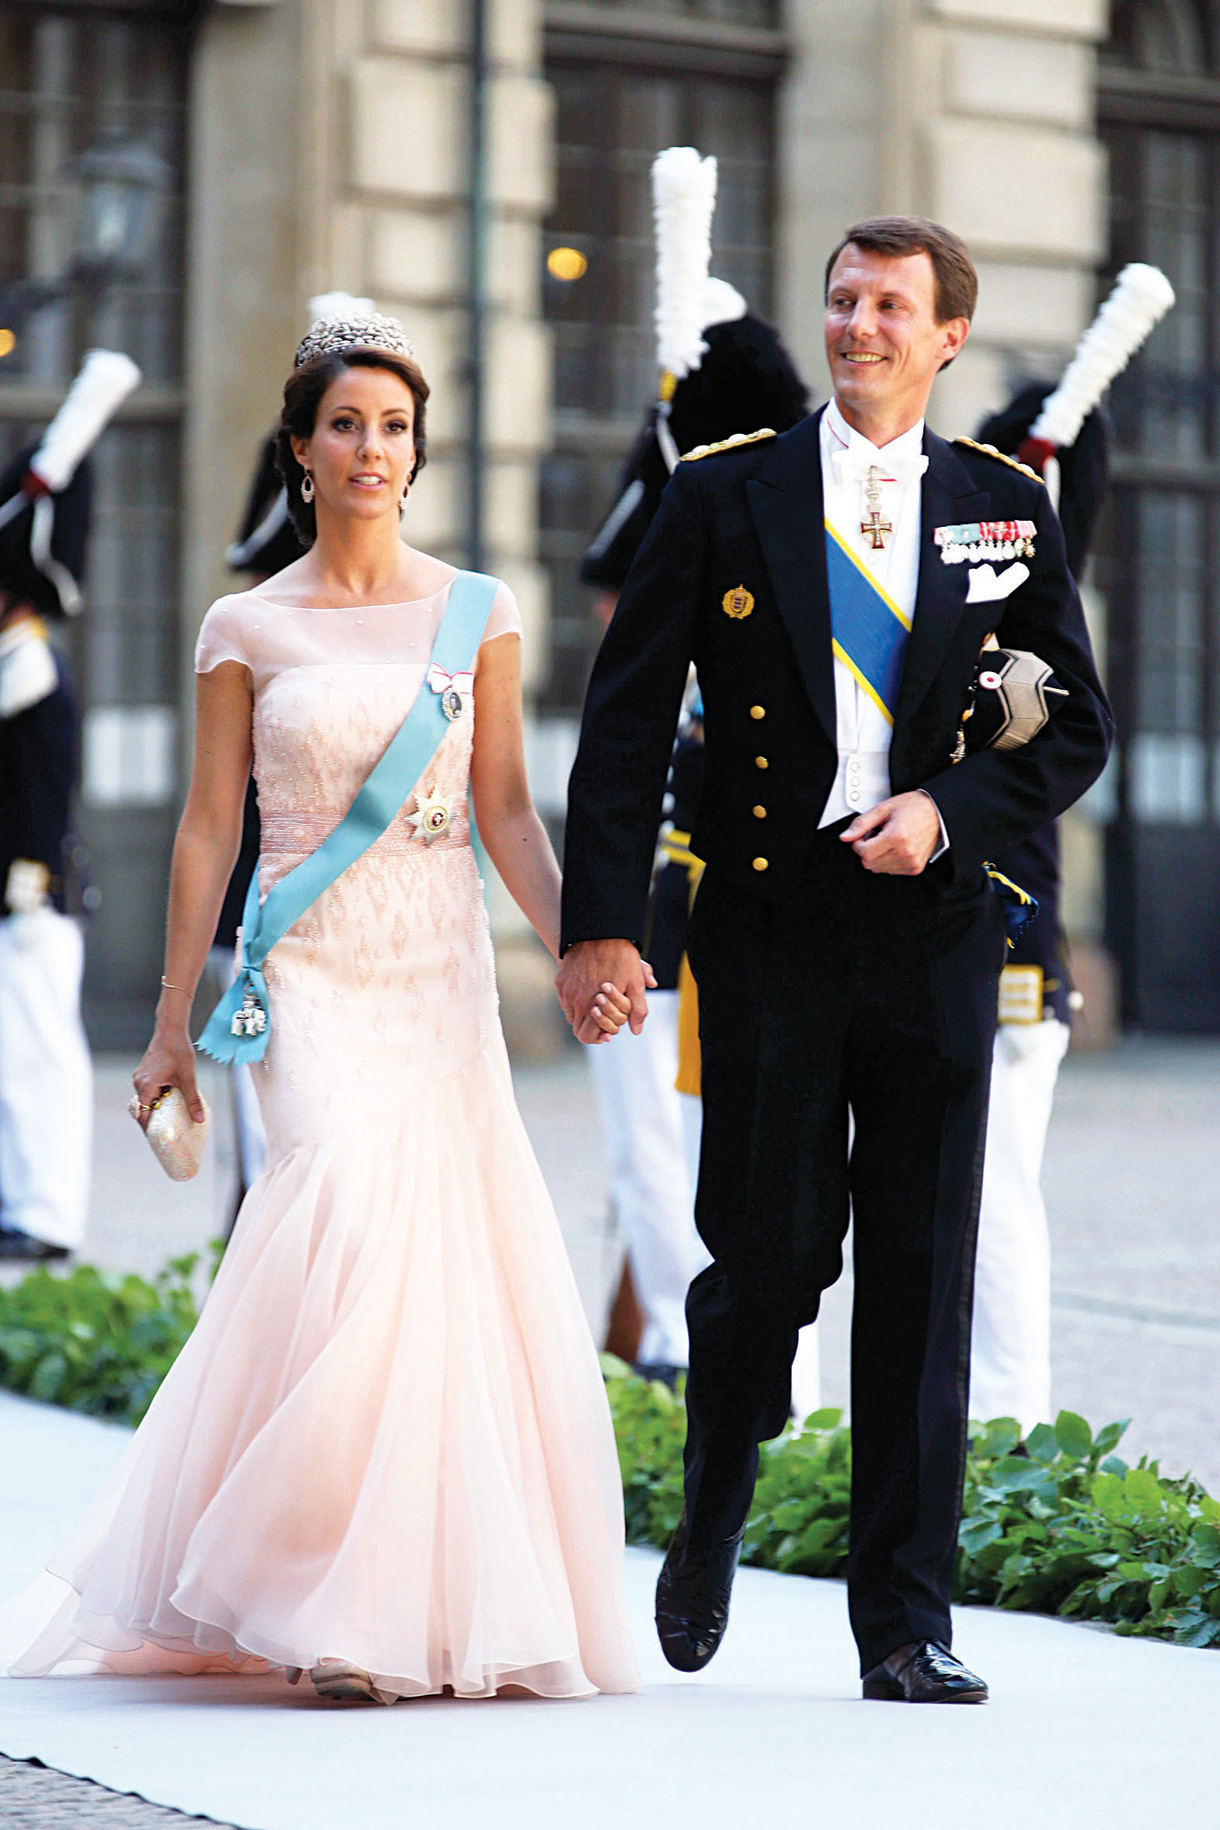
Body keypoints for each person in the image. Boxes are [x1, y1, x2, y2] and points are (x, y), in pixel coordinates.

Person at [3, 312, 639, 1704]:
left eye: (394, 427)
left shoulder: (479, 610)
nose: (371, 449)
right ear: (301, 449)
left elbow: (509, 811)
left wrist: (584, 948)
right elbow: (204, 828)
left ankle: (373, 1611)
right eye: (345, 425)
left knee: (434, 1266)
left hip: (437, 967)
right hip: (300, 973)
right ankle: (322, 1591)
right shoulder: (246, 624)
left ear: (417, 450)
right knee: (347, 1228)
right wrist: (170, 1019)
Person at [558, 216, 1112, 1703]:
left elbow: (1065, 723)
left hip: (933, 924)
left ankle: (904, 1624)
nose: (859, 325)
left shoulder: (1002, 509)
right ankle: (711, 1511)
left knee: (923, 1277)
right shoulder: (723, 492)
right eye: (843, 299)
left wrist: (947, 810)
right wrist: (601, 923)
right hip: (768, 923)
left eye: (889, 306)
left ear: (947, 337)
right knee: (767, 1262)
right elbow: (625, 720)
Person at [967, 384, 1110, 1434]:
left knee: (994, 1199)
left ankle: (1008, 1429)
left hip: (1010, 947)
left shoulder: (1044, 632)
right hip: (941, 941)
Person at [0, 350, 141, 1261]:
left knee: (40, 1057)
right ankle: (18, 1200)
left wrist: (27, 878)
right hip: (12, 899)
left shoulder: (34, 671)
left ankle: (49, 1215)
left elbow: (44, 794)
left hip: (33, 897)